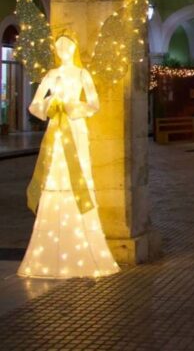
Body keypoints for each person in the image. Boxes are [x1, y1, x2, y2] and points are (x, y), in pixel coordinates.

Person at [19, 35, 119, 279]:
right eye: (59, 45)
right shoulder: (51, 74)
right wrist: (50, 104)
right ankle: (50, 242)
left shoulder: (83, 74)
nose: (63, 48)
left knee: (78, 173)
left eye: (68, 44)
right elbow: (34, 104)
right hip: (56, 130)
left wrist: (74, 107)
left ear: (75, 47)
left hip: (75, 128)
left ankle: (82, 239)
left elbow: (94, 104)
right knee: (55, 175)